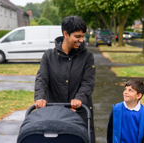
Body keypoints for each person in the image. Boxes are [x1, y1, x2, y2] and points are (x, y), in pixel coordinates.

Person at [34, 15, 96, 143]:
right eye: (77, 36)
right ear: (65, 34)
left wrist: (79, 99)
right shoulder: (48, 56)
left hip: (80, 113)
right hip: (54, 113)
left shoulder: (87, 57)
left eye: (83, 36)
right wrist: (40, 97)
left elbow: (88, 82)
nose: (82, 40)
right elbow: (42, 79)